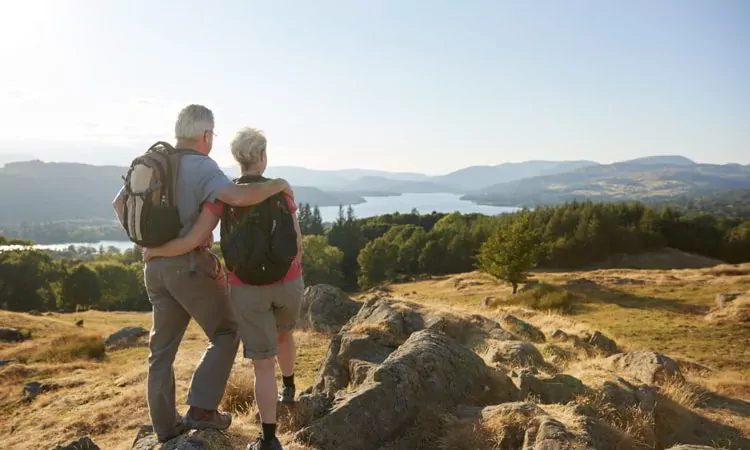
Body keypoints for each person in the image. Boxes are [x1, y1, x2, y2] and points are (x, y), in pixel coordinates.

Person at [112, 106, 293, 443]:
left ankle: (165, 427)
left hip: (154, 268)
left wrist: (148, 244)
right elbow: (237, 196)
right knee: (227, 330)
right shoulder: (201, 166)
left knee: (161, 350)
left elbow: (118, 204)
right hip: (189, 266)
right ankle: (202, 409)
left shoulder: (153, 162)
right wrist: (277, 185)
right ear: (206, 135)